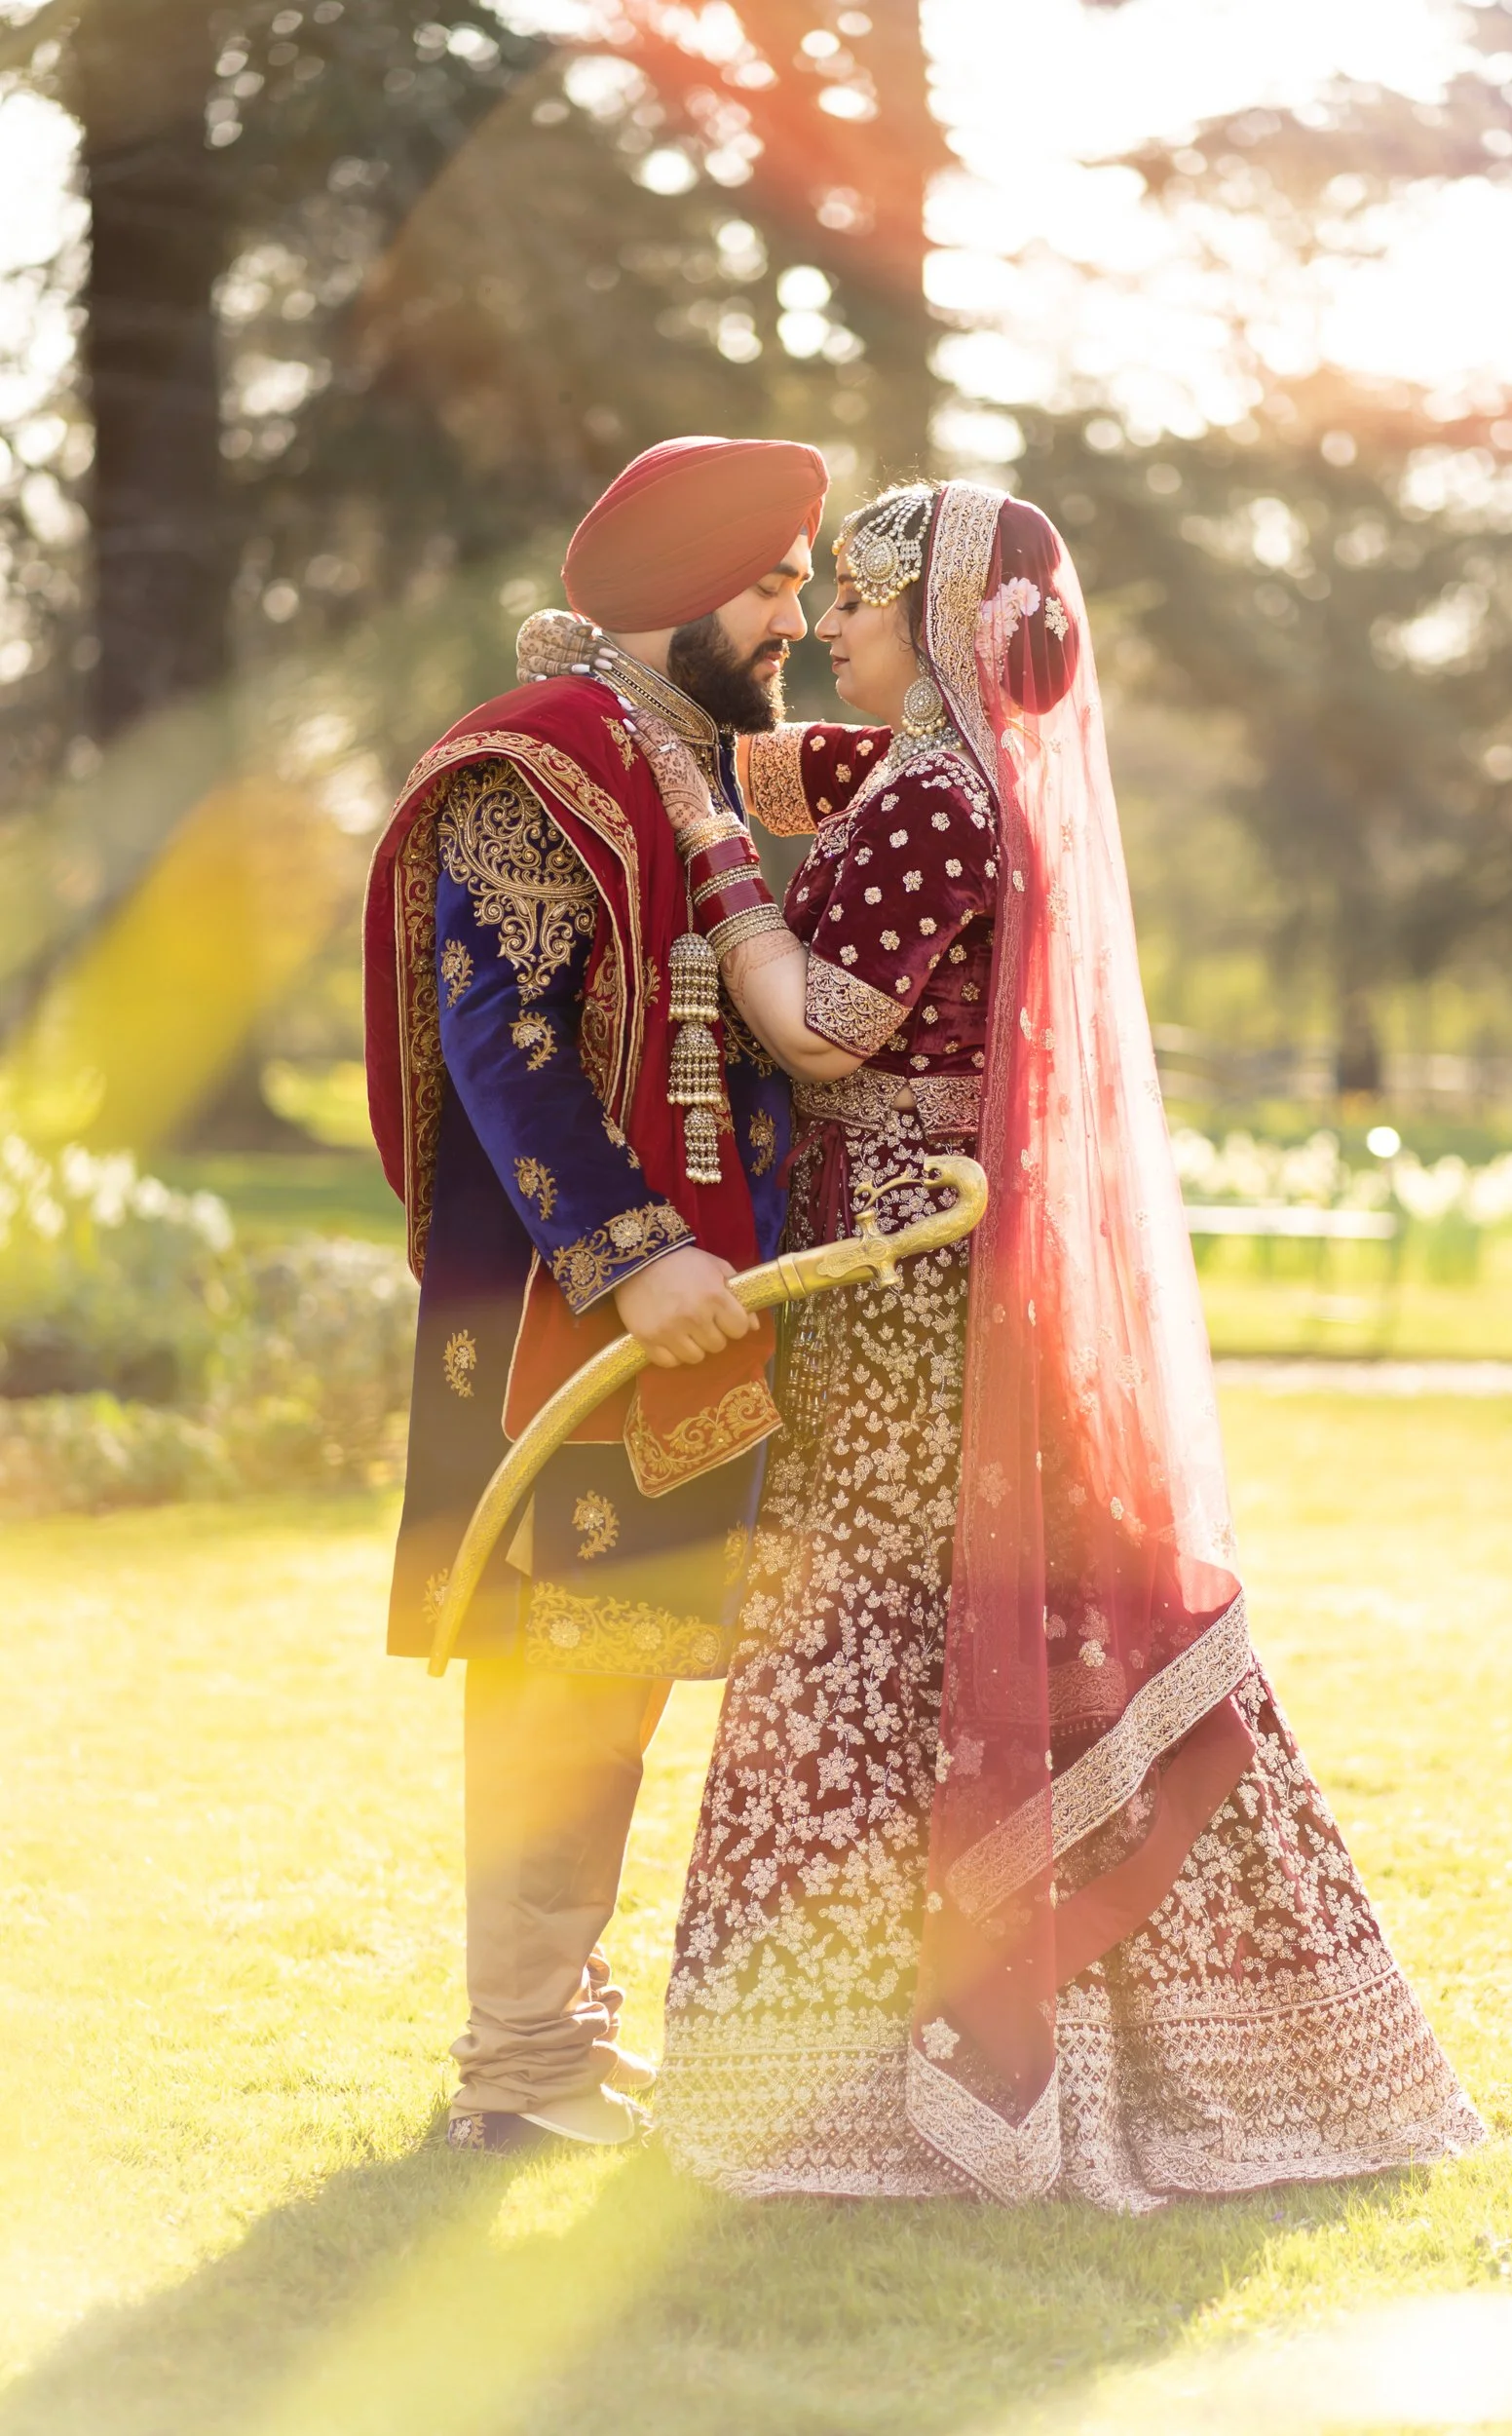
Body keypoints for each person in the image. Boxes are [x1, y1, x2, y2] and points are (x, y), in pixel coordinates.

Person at [648, 479, 1487, 2205]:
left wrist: (724, 877)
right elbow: (762, 756)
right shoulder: (960, 775)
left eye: (866, 600)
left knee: (873, 1639)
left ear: (944, 622)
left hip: (897, 1283)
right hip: (943, 1274)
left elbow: (823, 1027)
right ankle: (1189, 2040)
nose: (837, 628)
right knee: (971, 1632)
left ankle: (862, 2090)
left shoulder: (935, 803)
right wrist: (638, 703)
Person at [362, 435, 827, 2152]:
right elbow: (509, 1052)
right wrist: (634, 1258)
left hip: (681, 1290)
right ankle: (514, 2064)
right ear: (676, 592)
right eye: (774, 580)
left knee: (616, 1659)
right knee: (555, 1670)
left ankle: (553, 2031)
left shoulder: (679, 758)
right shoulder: (538, 768)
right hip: (576, 1300)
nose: (792, 612)